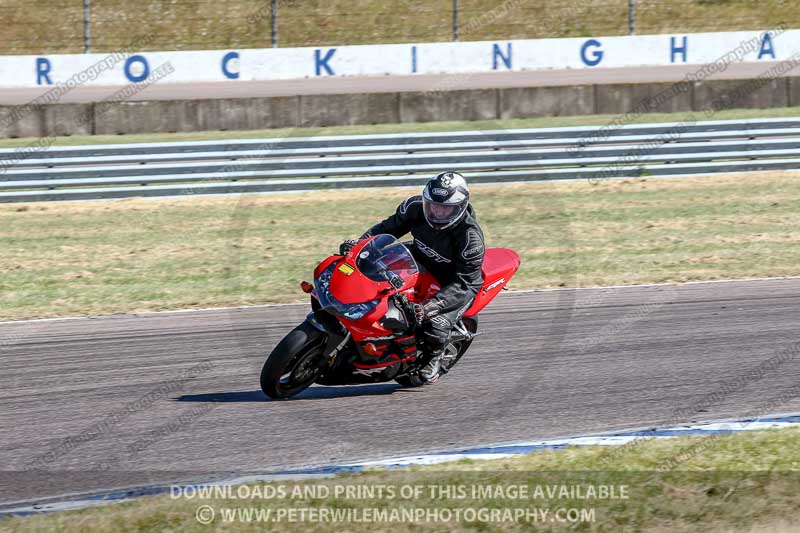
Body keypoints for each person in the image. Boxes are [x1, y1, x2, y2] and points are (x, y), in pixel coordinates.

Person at [339, 171, 485, 382]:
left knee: (435, 324)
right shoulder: (415, 208)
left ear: (460, 208)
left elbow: (466, 283)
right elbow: (387, 228)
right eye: (433, 205)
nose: (437, 212)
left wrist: (429, 307)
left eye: (446, 209)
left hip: (452, 281)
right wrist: (359, 245)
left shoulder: (470, 239)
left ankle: (433, 360)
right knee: (372, 273)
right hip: (418, 257)